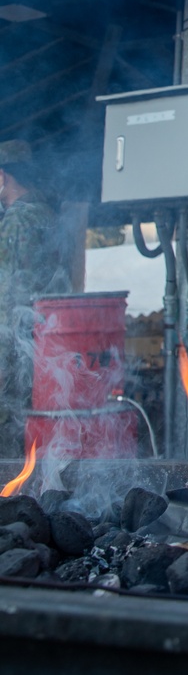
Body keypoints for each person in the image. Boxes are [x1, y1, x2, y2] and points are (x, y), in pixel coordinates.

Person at [0, 141, 58, 456]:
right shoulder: (46, 214)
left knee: (8, 441)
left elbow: (6, 296)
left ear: (2, 177)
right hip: (44, 347)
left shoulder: (16, 221)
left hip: (14, 350)